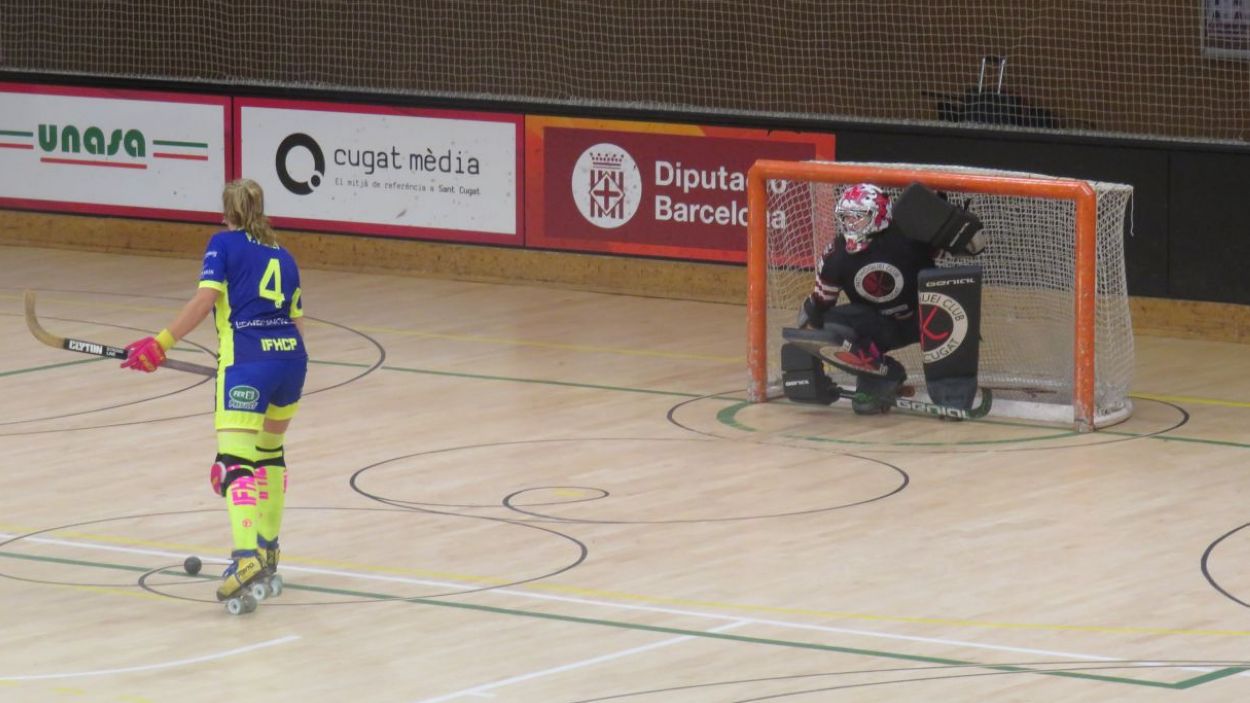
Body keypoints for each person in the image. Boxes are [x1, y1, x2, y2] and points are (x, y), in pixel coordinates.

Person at [121, 178, 307, 608]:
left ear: (227, 213)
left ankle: (245, 558)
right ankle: (268, 552)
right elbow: (298, 322)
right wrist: (278, 364)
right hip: (292, 361)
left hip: (246, 361)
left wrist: (161, 343)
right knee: (270, 454)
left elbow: (206, 300)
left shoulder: (222, 244)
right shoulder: (285, 255)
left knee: (233, 463)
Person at [787, 182, 984, 415]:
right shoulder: (835, 255)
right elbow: (819, 305)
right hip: (879, 326)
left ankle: (952, 389)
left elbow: (971, 247)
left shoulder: (909, 233)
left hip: (926, 319)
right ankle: (882, 374)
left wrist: (951, 222)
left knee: (950, 297)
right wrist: (808, 349)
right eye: (846, 217)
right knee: (828, 325)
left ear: (878, 215)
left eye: (858, 217)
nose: (850, 224)